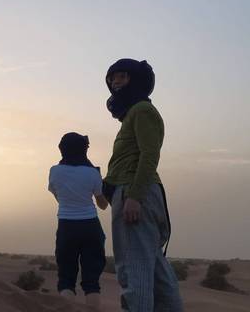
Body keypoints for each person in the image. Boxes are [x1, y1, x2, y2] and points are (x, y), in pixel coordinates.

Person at [103, 59, 183, 311]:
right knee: (155, 270)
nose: (116, 82)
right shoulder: (133, 114)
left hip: (136, 192)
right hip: (138, 192)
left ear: (135, 80)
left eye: (122, 76)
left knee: (133, 271)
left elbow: (150, 154)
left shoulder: (141, 110)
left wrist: (134, 196)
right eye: (113, 78)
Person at [48, 132, 108, 309]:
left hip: (66, 226)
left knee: (66, 279)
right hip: (90, 226)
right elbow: (103, 205)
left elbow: (58, 196)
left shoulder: (54, 171)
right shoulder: (92, 173)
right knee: (92, 282)